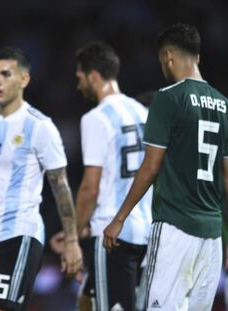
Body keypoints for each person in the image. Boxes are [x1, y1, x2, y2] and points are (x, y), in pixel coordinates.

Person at [103, 23, 228, 310]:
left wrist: (120, 217)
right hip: (211, 235)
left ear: (168, 57)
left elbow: (151, 165)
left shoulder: (169, 97)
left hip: (175, 227)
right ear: (197, 57)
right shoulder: (224, 105)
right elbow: (227, 176)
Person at [0, 46, 82, 311]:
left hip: (19, 234)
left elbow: (61, 186)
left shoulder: (39, 126)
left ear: (24, 79)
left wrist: (72, 240)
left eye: (6, 74)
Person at [72, 41, 152, 311]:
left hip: (111, 235)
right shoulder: (144, 113)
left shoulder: (96, 118)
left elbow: (90, 188)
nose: (78, 85)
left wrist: (73, 233)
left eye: (80, 77)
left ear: (93, 76)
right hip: (145, 233)